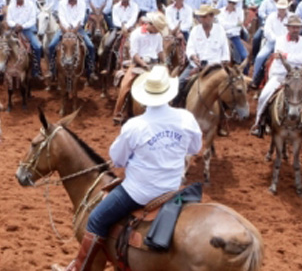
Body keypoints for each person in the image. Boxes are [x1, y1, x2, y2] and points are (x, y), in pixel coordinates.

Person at [52, 65, 201, 271]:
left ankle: (80, 267)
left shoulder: (135, 125)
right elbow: (195, 147)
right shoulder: (186, 118)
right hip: (173, 189)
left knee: (95, 219)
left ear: (145, 96)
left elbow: (117, 160)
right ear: (169, 93)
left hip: (139, 192)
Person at [250, 15, 302, 143]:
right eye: (293, 27)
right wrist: (290, 58)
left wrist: (286, 55)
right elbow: (281, 57)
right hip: (280, 74)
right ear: (288, 28)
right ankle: (258, 124)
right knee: (264, 96)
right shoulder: (280, 40)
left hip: (300, 76)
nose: (295, 30)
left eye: (297, 27)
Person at [112, 12, 168, 123]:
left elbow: (160, 51)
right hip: (138, 64)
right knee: (126, 85)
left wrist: (165, 62)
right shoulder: (137, 34)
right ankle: (119, 112)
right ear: (151, 24)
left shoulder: (157, 35)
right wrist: (144, 64)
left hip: (155, 64)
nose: (158, 31)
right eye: (157, 28)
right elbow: (134, 53)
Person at [48, 0, 96, 80]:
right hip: (64, 29)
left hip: (78, 29)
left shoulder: (82, 3)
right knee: (51, 46)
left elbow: (81, 17)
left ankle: (91, 71)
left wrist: (74, 28)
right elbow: (61, 17)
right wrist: (66, 28)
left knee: (90, 46)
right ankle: (52, 70)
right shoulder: (62, 3)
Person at [179, 4, 229, 95]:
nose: (203, 19)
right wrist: (194, 57)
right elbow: (190, 48)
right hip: (196, 66)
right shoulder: (195, 30)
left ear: (212, 16)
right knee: (180, 82)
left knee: (229, 88)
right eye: (201, 17)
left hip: (215, 67)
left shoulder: (220, 30)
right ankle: (177, 104)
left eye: (205, 16)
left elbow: (225, 51)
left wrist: (222, 63)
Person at [251, 0, 290, 89]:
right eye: (280, 8)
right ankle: (255, 79)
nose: (281, 10)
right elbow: (267, 31)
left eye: (283, 8)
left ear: (286, 8)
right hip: (272, 42)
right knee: (260, 57)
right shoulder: (271, 17)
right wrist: (276, 39)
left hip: (286, 44)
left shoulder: (291, 17)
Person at [5, 0, 43, 78]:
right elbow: (9, 19)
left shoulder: (30, 5)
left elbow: (32, 19)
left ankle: (36, 69)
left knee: (37, 47)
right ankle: (1, 67)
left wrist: (23, 26)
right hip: (13, 30)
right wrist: (15, 25)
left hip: (27, 30)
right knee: (1, 45)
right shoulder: (11, 6)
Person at [219, 0, 247, 66]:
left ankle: (244, 73)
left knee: (244, 56)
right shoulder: (221, 11)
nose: (231, 4)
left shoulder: (240, 12)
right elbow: (222, 25)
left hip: (234, 36)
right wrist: (234, 24)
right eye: (230, 2)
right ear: (227, 2)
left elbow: (239, 27)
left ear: (236, 4)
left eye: (233, 3)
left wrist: (229, 28)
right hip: (222, 36)